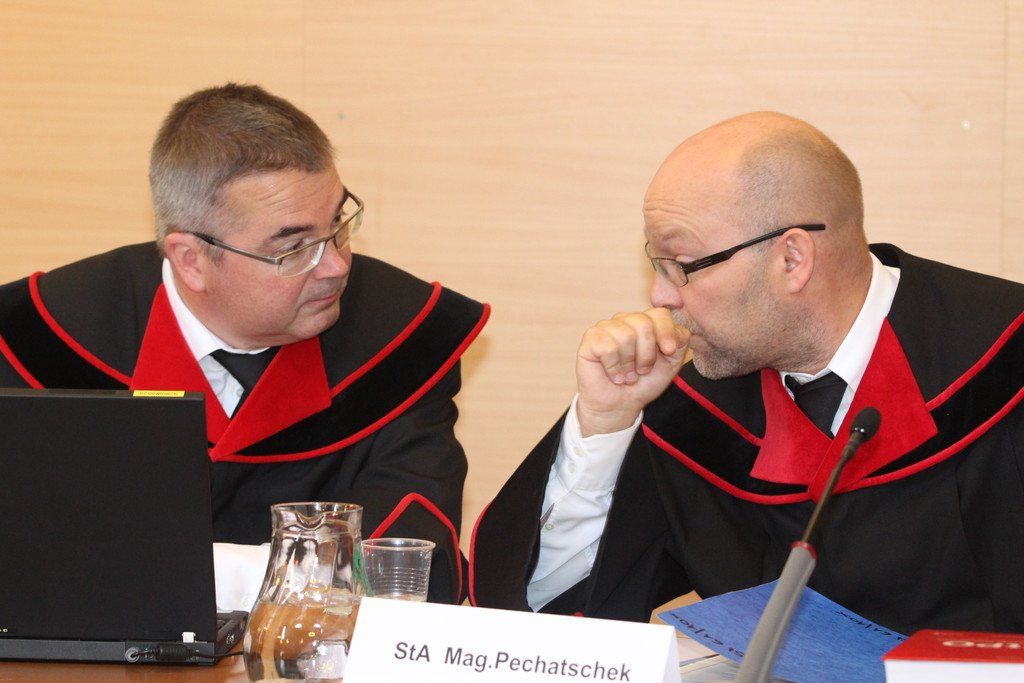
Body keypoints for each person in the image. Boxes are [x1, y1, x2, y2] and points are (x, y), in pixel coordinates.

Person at [470, 112, 1024, 635]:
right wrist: (604, 424)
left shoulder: (1005, 360)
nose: (661, 297)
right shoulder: (700, 416)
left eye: (682, 266)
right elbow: (554, 613)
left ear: (792, 259)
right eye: (656, 267)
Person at [0, 84, 489, 607]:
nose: (336, 266)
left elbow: (409, 561)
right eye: (294, 247)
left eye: (338, 225)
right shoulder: (38, 343)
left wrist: (217, 575)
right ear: (191, 260)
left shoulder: (401, 341)